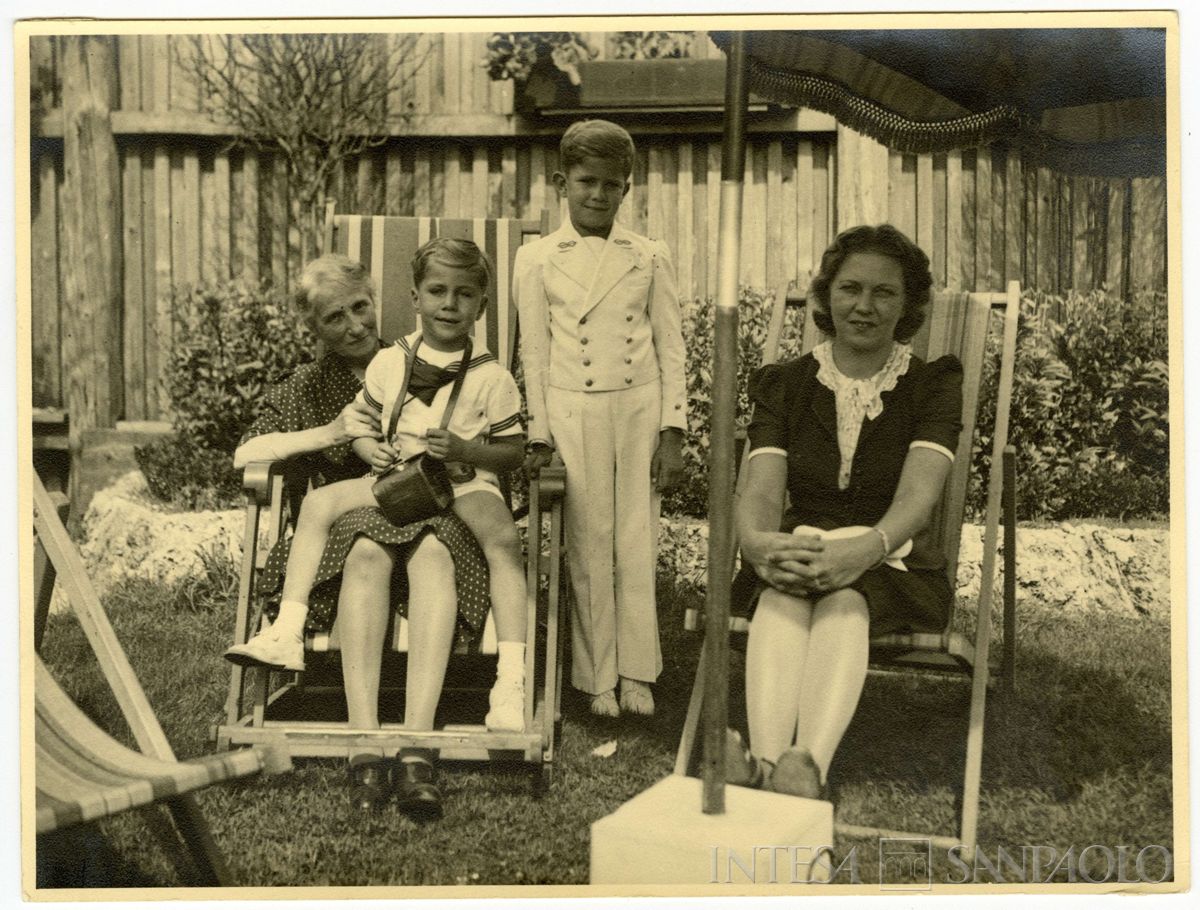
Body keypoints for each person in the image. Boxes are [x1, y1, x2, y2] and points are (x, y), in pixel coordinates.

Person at [224, 250, 518, 818]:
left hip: (434, 509)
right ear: (313, 328)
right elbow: (247, 454)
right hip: (352, 522)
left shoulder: (415, 353)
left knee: (432, 553)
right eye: (335, 318)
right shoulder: (307, 387)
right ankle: (364, 746)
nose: (355, 325)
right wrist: (329, 433)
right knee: (363, 552)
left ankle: (416, 747)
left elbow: (490, 440)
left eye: (360, 308)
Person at [727, 224, 963, 799]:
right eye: (850, 288)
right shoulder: (785, 384)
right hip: (799, 549)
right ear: (827, 296)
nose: (864, 306)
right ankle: (767, 768)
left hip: (891, 560)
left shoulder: (932, 384)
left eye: (884, 292)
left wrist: (865, 550)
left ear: (907, 305)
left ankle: (807, 767)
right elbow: (760, 491)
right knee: (783, 590)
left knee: (847, 595)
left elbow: (918, 496)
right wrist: (758, 544)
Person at [516, 119, 687, 718]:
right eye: (586, 182)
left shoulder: (647, 256)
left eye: (611, 185)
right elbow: (532, 354)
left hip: (637, 405)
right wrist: (539, 431)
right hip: (572, 408)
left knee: (636, 540)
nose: (597, 195)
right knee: (588, 545)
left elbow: (672, 345)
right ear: (563, 183)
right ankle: (596, 679)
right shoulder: (535, 258)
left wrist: (674, 429)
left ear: (627, 189)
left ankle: (638, 672)